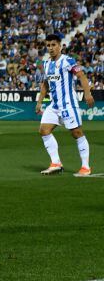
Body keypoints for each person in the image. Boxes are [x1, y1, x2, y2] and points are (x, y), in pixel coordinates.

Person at [37, 34, 94, 177]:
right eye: (48, 45)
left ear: (60, 46)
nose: (50, 48)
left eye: (53, 45)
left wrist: (87, 94)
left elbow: (81, 76)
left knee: (77, 133)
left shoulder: (68, 61)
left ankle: (85, 167)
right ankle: (56, 163)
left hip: (68, 104)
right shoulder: (46, 63)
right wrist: (39, 101)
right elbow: (45, 84)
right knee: (44, 130)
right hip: (54, 105)